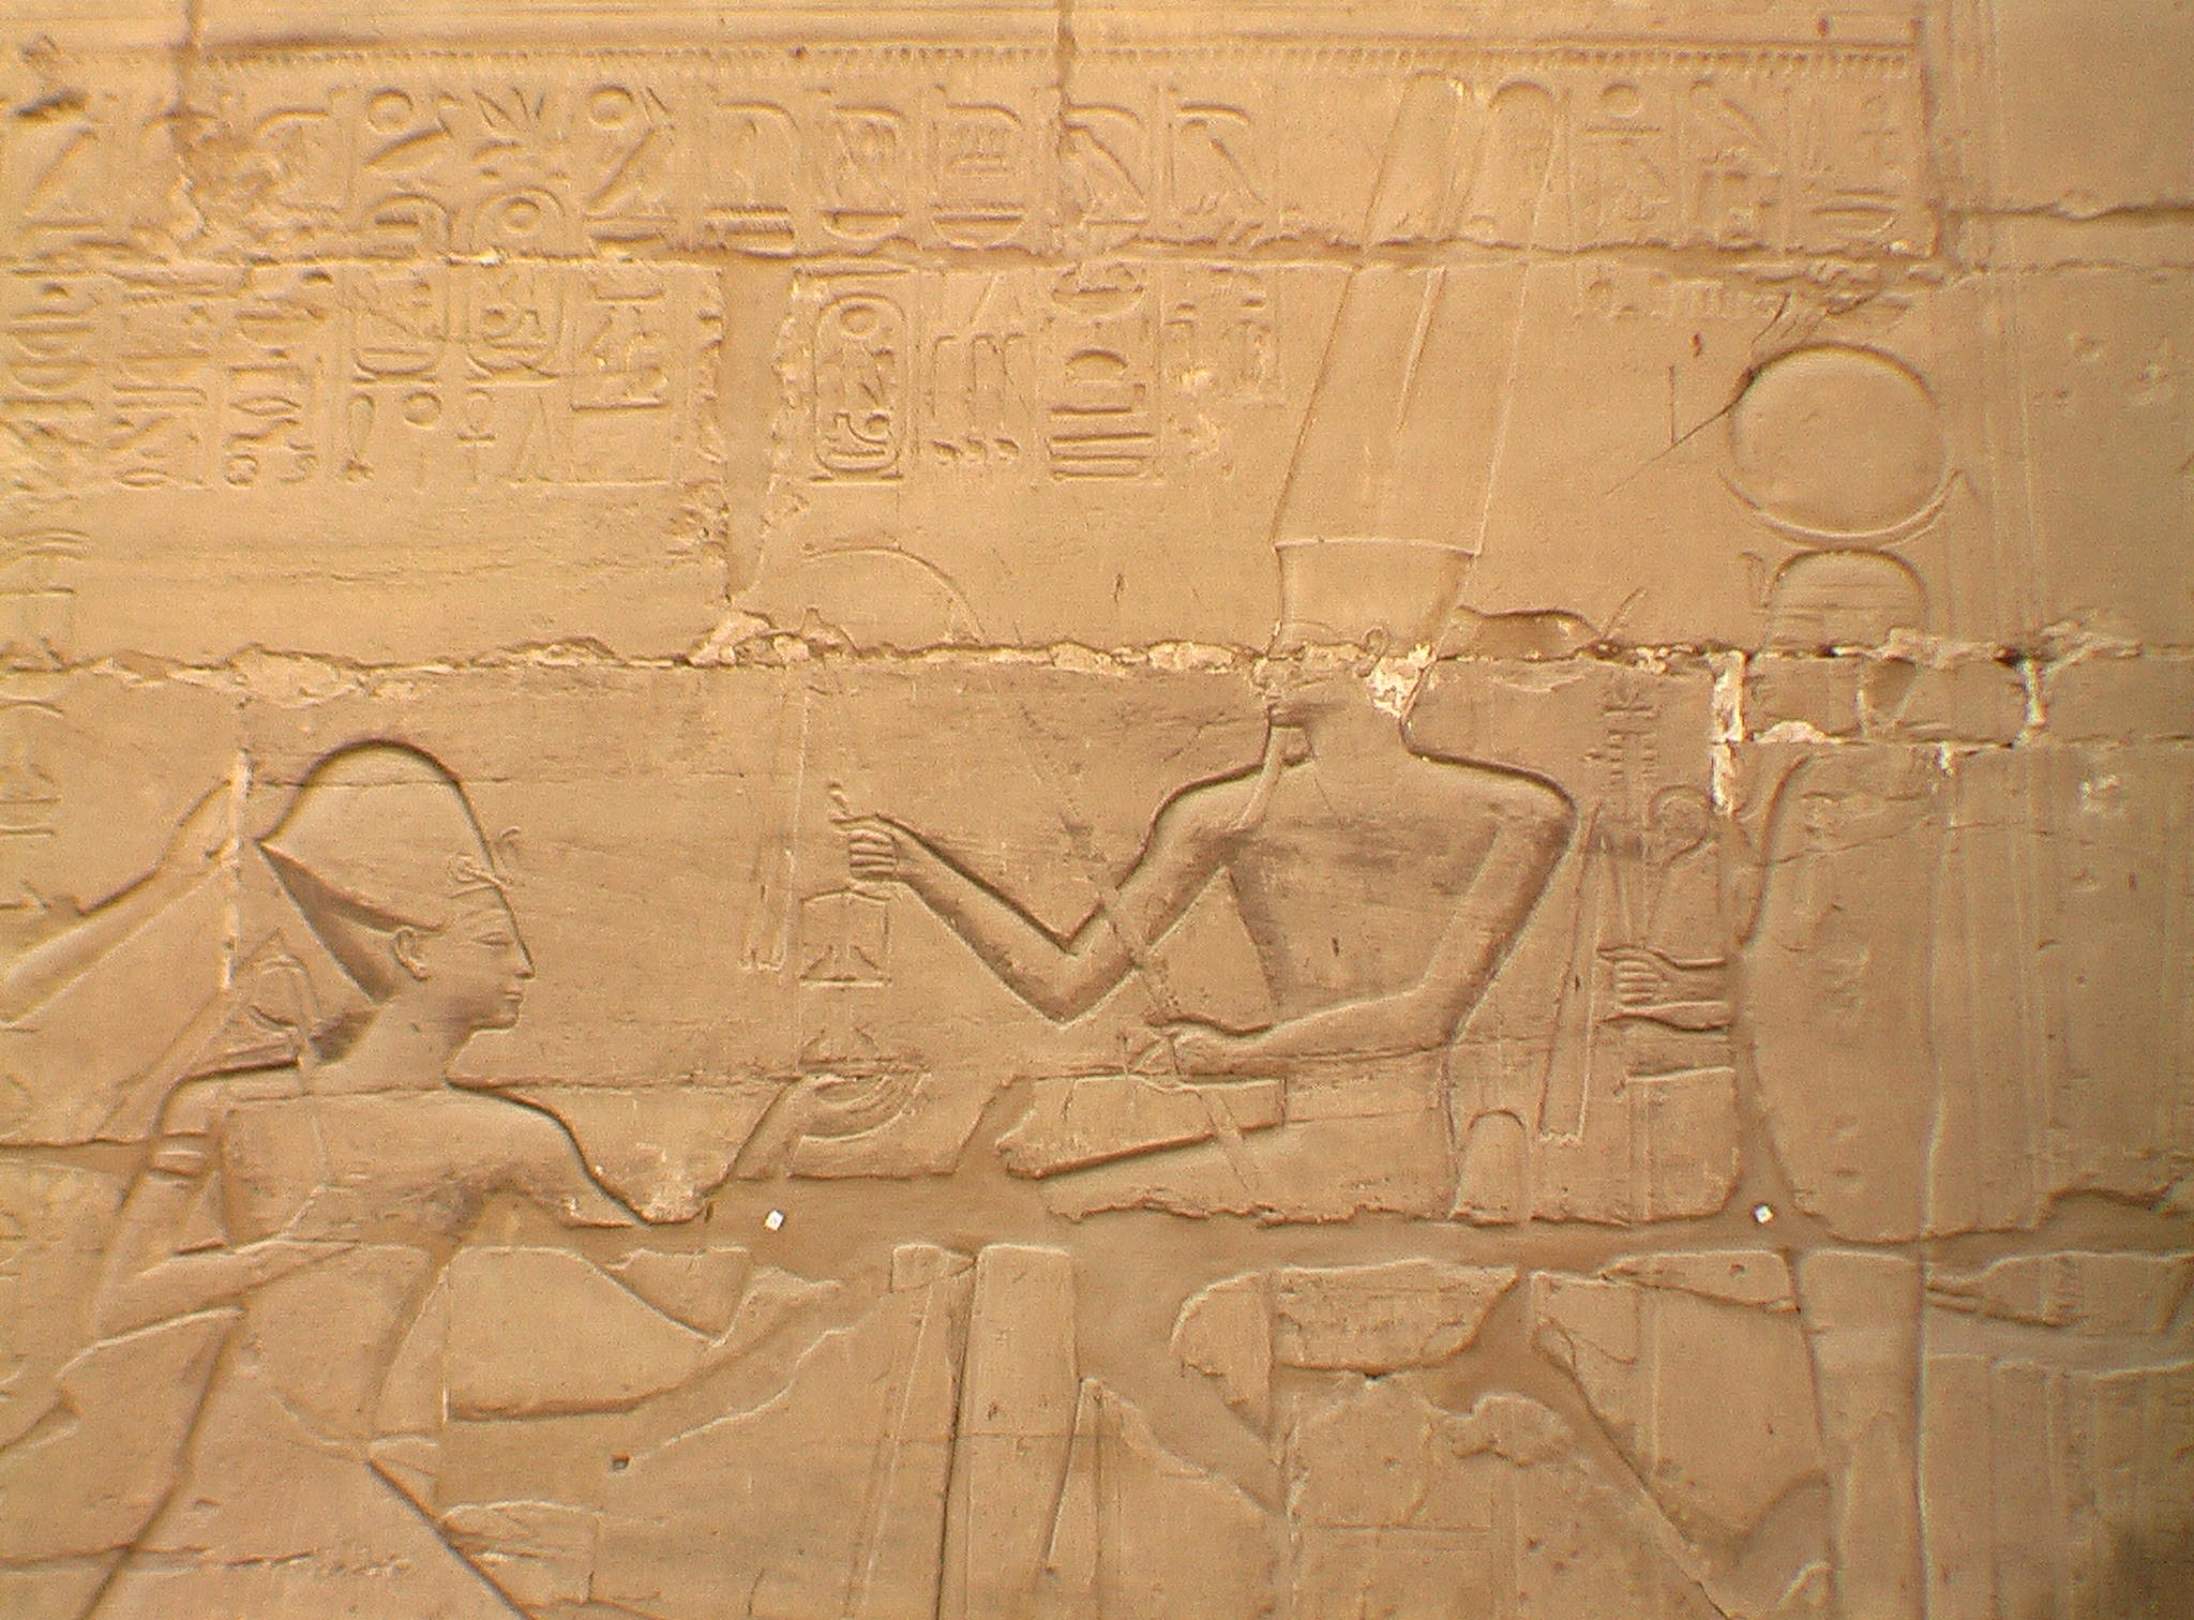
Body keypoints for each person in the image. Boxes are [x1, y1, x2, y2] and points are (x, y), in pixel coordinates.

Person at [846, 539, 1574, 1221]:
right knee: (1048, 1209)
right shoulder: (1223, 817)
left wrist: (1237, 1056)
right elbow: (1064, 986)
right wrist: (919, 868)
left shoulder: (1519, 815)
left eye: (1295, 650)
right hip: (1298, 1145)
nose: (1266, 668)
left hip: (1394, 1157)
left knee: (1059, 1211)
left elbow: (1424, 1018)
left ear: (1372, 652)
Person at [87, 741, 636, 1619]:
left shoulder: (511, 1138)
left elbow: (650, 1276)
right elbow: (121, 1300)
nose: (524, 966)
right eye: (496, 943)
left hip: (331, 1477)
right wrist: (279, 1254)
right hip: (253, 1473)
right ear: (414, 952)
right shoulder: (227, 1108)